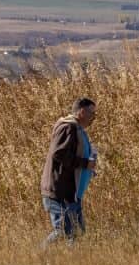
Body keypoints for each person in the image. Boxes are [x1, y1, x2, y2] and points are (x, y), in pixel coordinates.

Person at [40, 97, 97, 244]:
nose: (93, 118)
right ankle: (38, 257)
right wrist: (85, 164)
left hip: (71, 192)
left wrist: (88, 167)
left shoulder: (77, 129)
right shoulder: (68, 127)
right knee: (64, 232)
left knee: (77, 233)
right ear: (82, 112)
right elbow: (58, 154)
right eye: (92, 114)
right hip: (59, 191)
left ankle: (76, 264)